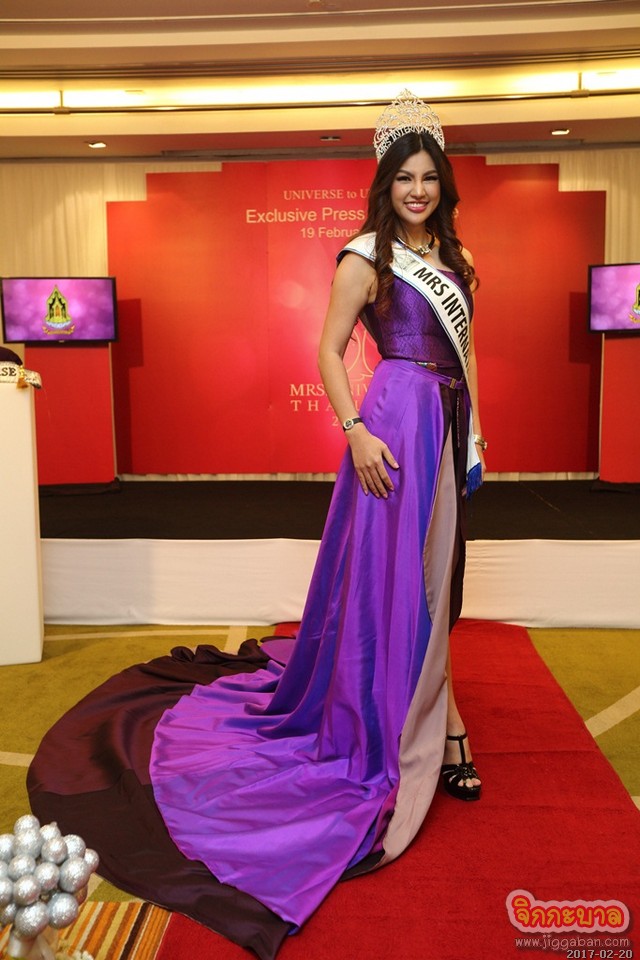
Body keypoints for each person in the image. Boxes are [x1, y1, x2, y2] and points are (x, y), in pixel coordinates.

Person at [28, 90, 486, 959]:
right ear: (385, 184)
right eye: (404, 178)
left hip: (446, 424)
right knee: (399, 587)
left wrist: (474, 437)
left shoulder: (454, 257)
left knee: (437, 581)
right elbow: (327, 350)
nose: (417, 190)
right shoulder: (367, 256)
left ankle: (439, 710)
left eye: (429, 177)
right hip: (393, 424)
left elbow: (464, 359)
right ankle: (436, 727)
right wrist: (355, 431)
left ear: (443, 183)